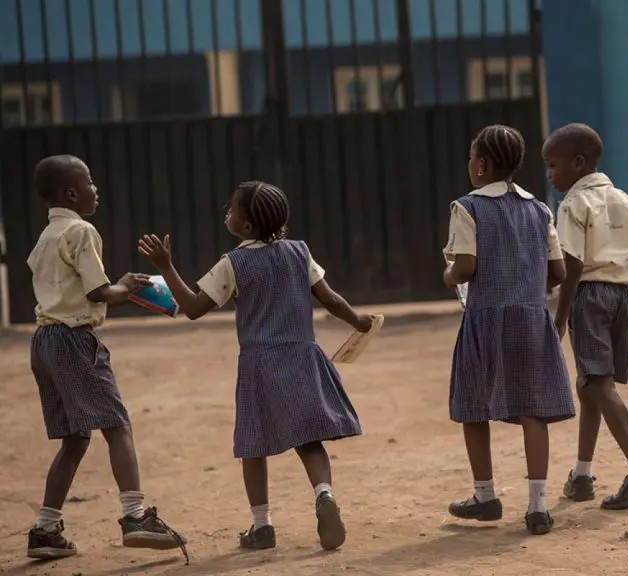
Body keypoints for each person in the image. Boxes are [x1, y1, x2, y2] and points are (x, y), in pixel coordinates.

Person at [138, 181, 370, 550]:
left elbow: (194, 308)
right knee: (309, 440)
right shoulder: (299, 252)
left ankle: (262, 525)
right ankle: (324, 494)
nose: (226, 213)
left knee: (253, 445)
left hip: (260, 364)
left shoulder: (234, 263)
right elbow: (329, 298)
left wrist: (166, 267)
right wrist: (358, 321)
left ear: (245, 228)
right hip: (302, 355)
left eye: (231, 209)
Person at [26, 154, 187, 561]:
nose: (96, 189)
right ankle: (135, 517)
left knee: (75, 439)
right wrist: (128, 286)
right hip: (76, 342)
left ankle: (46, 529)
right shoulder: (81, 231)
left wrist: (118, 288)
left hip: (44, 342)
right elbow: (99, 293)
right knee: (118, 426)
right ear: (72, 193)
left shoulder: (45, 237)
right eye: (91, 181)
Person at [444, 125, 575, 535]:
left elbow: (466, 268)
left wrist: (449, 276)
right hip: (531, 317)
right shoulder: (539, 209)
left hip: (485, 318)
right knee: (532, 409)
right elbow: (558, 271)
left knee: (472, 406)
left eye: (471, 156)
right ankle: (537, 505)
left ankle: (485, 496)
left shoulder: (466, 207)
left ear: (481, 165)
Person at [544, 123, 628, 509]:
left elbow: (573, 263)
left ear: (578, 164)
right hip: (624, 299)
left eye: (553, 165)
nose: (550, 175)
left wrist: (561, 318)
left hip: (591, 297)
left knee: (598, 385)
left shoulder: (572, 205)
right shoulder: (624, 200)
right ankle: (581, 476)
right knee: (590, 386)